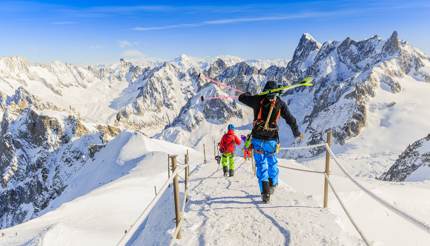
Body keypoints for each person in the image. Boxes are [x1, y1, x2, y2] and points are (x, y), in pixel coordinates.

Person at [239, 81, 303, 203]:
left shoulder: (257, 100)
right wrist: (296, 133)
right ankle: (272, 184)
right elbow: (291, 119)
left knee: (261, 165)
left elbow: (241, 98)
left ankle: (265, 193)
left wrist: (248, 94)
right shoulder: (280, 104)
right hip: (271, 140)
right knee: (272, 162)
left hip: (257, 139)